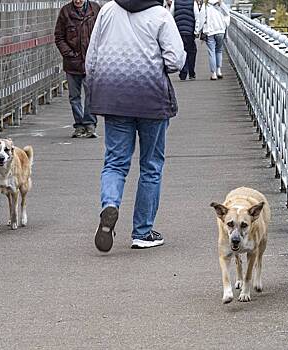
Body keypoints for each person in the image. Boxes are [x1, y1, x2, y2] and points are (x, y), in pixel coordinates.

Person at [86, 0, 186, 251]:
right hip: (151, 99)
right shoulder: (160, 15)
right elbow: (175, 61)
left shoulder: (108, 10)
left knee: (115, 163)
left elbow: (92, 58)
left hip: (115, 98)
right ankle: (142, 232)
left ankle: (110, 204)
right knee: (151, 166)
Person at [54, 0, 101, 138]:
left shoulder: (95, 9)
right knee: (74, 96)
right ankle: (79, 125)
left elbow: (103, 32)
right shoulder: (65, 11)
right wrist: (69, 54)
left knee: (90, 94)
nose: (78, 0)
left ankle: (90, 124)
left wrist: (97, 54)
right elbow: (59, 37)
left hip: (91, 62)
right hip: (72, 63)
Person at [197, 0, 230, 80]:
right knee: (219, 51)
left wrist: (198, 30)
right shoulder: (221, 4)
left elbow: (201, 19)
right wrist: (224, 25)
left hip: (210, 31)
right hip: (220, 31)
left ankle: (214, 73)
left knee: (211, 52)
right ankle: (219, 70)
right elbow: (228, 14)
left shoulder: (205, 6)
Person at [170, 0, 199, 80]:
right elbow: (197, 17)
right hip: (190, 32)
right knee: (192, 52)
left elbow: (170, 16)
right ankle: (191, 73)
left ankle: (183, 73)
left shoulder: (175, 2)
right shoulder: (193, 3)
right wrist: (196, 31)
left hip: (178, 33)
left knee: (181, 52)